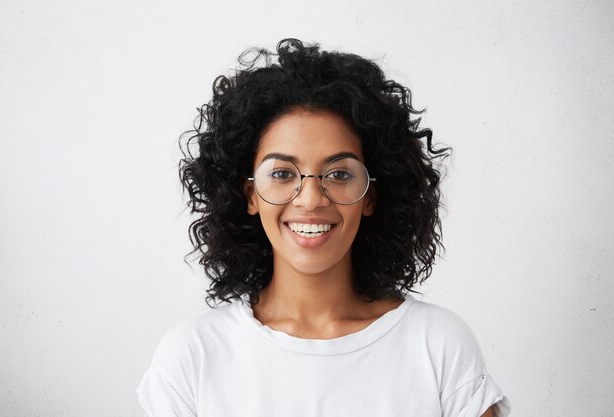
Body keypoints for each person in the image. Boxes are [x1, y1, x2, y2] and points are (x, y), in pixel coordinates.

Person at [136, 38, 512, 417]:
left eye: (339, 173)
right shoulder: (192, 356)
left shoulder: (438, 346)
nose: (311, 198)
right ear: (250, 194)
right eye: (282, 173)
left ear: (371, 196)